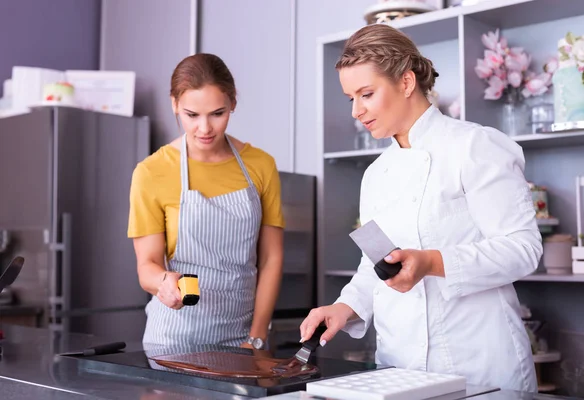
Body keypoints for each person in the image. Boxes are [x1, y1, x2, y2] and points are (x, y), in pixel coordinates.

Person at [300, 24, 542, 392]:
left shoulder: (474, 147)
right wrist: (343, 308)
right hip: (400, 368)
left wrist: (432, 262)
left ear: (407, 82)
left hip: (479, 363)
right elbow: (376, 265)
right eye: (351, 98)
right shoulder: (375, 175)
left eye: (366, 94)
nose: (356, 111)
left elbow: (523, 249)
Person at [128, 53, 285, 350]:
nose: (205, 128)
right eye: (191, 115)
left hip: (245, 338)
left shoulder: (261, 165)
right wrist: (164, 282)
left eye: (217, 113)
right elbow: (146, 265)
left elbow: (271, 259)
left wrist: (257, 336)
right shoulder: (151, 172)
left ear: (233, 103)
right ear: (174, 104)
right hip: (174, 339)